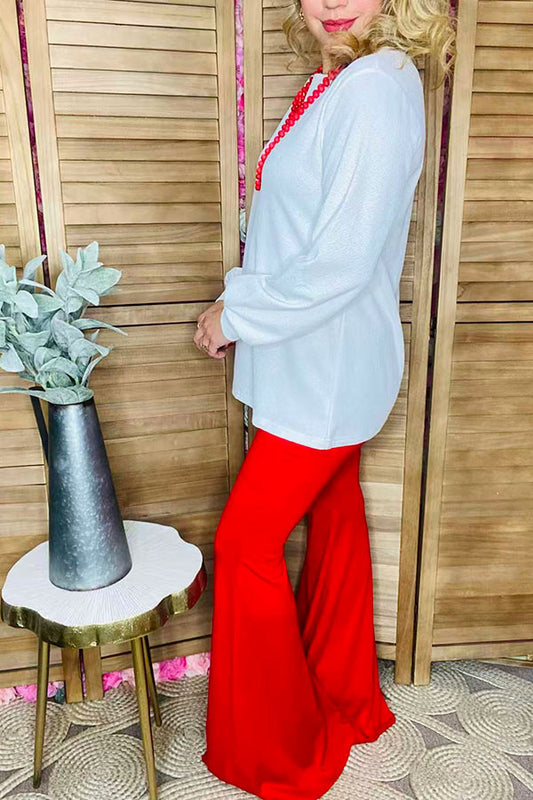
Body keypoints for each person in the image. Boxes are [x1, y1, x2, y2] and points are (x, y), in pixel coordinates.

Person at [195, 1, 456, 798]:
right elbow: (301, 235)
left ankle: (278, 751)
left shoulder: (375, 85)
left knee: (245, 544)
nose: (332, 2)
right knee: (334, 516)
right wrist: (245, 304)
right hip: (315, 359)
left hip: (327, 367)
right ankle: (343, 696)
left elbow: (338, 262)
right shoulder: (344, 82)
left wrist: (235, 315)